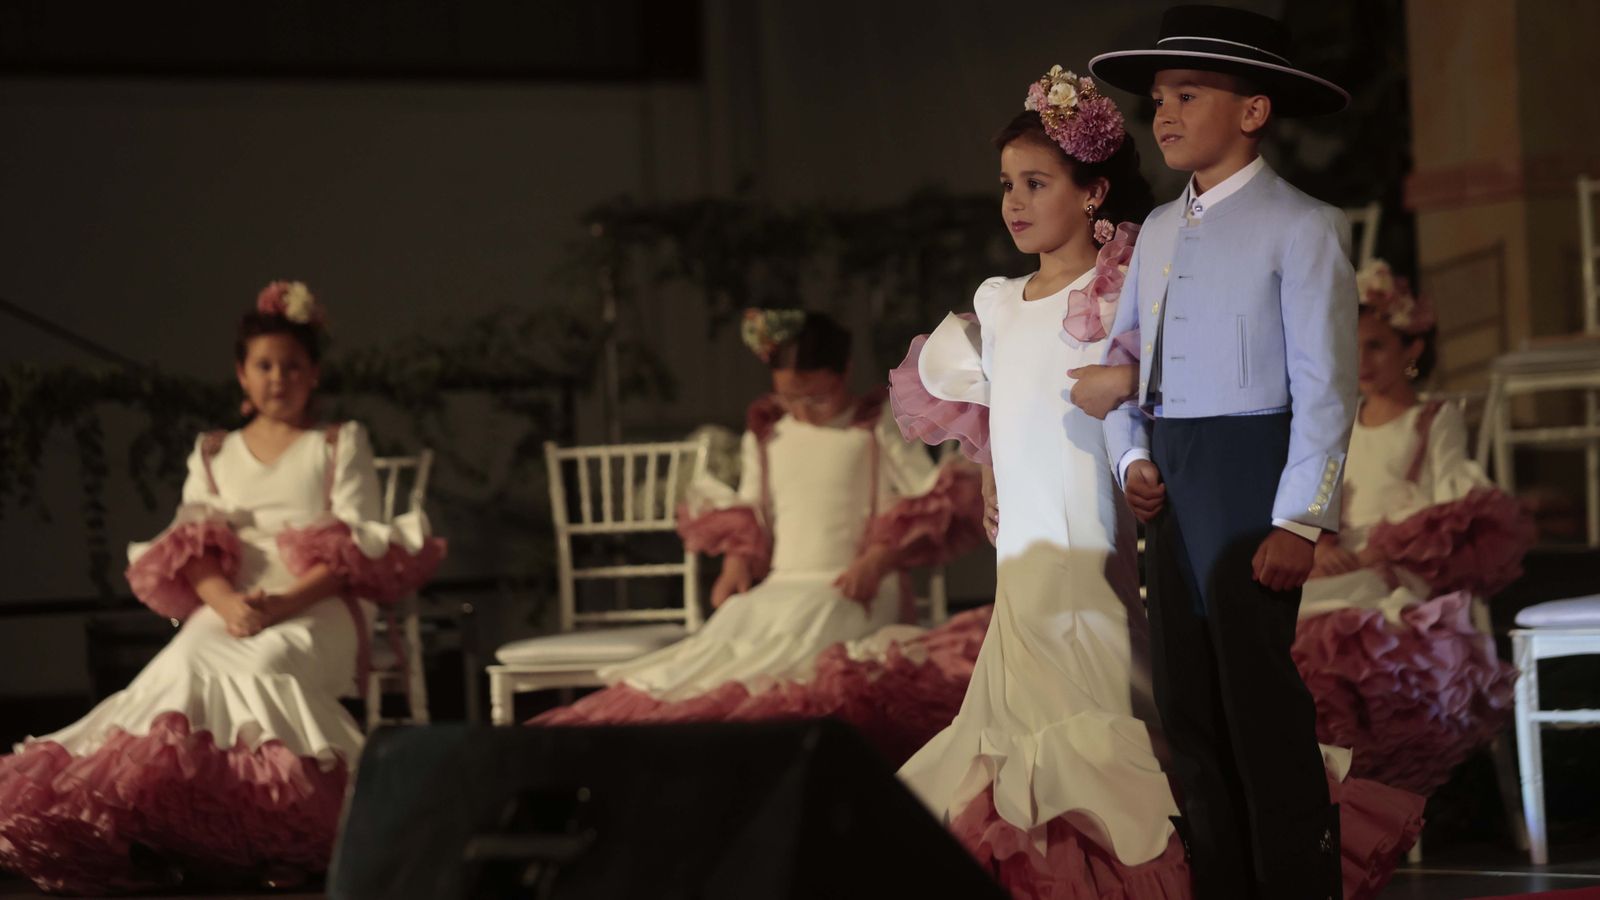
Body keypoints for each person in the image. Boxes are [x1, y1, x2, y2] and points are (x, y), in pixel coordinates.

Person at [891, 62, 1420, 898]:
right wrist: (1034, 456)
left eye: (1036, 182)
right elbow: (1040, 385)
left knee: (1219, 708)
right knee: (1172, 717)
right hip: (1077, 536)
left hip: (1175, 514)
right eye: (1007, 186)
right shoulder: (1071, 273)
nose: (1015, 201)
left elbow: (1290, 378)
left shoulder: (1259, 236)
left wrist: (1300, 517)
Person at [0, 282, 445, 894]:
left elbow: (352, 550)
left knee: (266, 664)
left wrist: (281, 605)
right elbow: (192, 548)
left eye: (292, 366)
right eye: (264, 366)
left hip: (313, 603)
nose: (277, 378)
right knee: (180, 667)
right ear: (241, 374)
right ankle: (184, 832)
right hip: (231, 604)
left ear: (313, 374)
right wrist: (230, 605)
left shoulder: (338, 443)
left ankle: (287, 833)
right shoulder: (214, 452)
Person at [1092, 6, 1366, 896]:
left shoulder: (1303, 226)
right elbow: (1125, 360)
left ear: (1252, 111)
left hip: (1254, 478)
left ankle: (1297, 881)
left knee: (1257, 704)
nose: (1163, 113)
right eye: (1159, 99)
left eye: (1187, 94)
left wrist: (1300, 517)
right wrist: (1131, 457)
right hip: (1173, 480)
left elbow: (1327, 388)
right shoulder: (1160, 234)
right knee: (1188, 704)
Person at [533, 310, 983, 731]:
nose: (802, 409)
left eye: (816, 395)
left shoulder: (872, 425)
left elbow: (927, 498)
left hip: (852, 581)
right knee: (734, 625)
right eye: (789, 396)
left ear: (843, 372)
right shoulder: (769, 433)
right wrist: (736, 560)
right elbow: (752, 508)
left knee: (811, 634)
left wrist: (879, 559)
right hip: (783, 582)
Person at [1294, 260, 1531, 795]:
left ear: (1411, 349)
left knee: (1337, 621)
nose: (1363, 361)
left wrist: (1388, 549)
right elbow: (1322, 495)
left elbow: (1454, 500)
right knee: (1282, 612)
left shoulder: (1431, 418)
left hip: (1404, 566)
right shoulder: (1342, 421)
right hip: (1345, 561)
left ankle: (1372, 787)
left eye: (1376, 345)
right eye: (1353, 347)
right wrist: (1325, 541)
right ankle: (1319, 793)